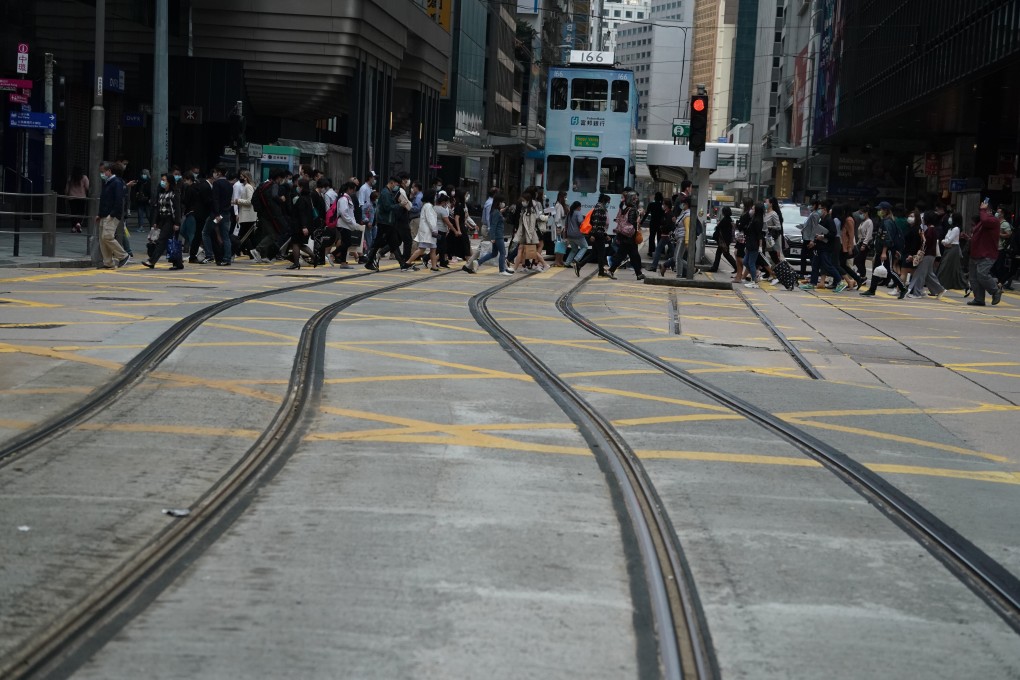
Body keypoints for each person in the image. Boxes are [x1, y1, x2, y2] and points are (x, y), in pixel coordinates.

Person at [860, 201, 908, 298]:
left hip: (886, 251)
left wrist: (884, 252)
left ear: (886, 210)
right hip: (881, 250)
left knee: (890, 271)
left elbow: (887, 238)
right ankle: (872, 290)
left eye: (881, 209)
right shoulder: (885, 221)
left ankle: (902, 288)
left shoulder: (888, 222)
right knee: (876, 270)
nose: (879, 211)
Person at [141, 172, 183, 270]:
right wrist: (155, 221)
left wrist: (177, 223)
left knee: (162, 241)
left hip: (170, 220)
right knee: (171, 242)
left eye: (164, 180)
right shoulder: (162, 192)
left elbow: (177, 209)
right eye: (162, 180)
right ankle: (178, 263)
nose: (162, 182)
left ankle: (152, 261)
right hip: (162, 220)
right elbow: (158, 208)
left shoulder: (174, 193)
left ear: (169, 182)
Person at [968, 200, 1003, 306]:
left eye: (984, 210)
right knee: (974, 278)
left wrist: (983, 209)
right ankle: (979, 299)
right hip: (976, 253)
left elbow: (985, 220)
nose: (981, 212)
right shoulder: (981, 223)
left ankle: (995, 290)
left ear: (989, 210)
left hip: (987, 254)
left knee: (982, 275)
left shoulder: (993, 221)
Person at [96, 162, 130, 269]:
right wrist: (99, 214)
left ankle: (123, 255)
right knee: (102, 239)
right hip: (104, 215)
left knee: (107, 237)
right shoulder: (108, 182)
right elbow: (105, 201)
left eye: (103, 172)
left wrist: (113, 214)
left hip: (111, 215)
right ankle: (108, 263)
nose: (101, 174)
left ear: (109, 171)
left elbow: (118, 200)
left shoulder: (116, 182)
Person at [906, 211, 946, 299]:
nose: (922, 220)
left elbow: (926, 242)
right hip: (930, 254)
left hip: (927, 254)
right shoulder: (931, 229)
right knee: (928, 274)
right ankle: (940, 289)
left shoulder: (930, 230)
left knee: (920, 273)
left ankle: (917, 293)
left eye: (924, 218)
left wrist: (922, 235)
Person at [200, 167, 234, 266]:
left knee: (205, 232)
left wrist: (216, 214)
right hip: (226, 214)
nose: (214, 174)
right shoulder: (229, 184)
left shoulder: (216, 183)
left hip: (217, 215)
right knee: (226, 236)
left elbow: (215, 200)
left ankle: (209, 255)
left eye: (215, 172)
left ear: (219, 173)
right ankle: (227, 258)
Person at [574, 193, 611, 277]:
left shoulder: (598, 208)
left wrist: (605, 234)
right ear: (604, 201)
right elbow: (596, 223)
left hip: (599, 234)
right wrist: (593, 235)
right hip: (598, 235)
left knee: (594, 253)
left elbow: (599, 224)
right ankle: (601, 272)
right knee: (601, 253)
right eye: (608, 202)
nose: (609, 204)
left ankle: (579, 265)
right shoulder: (599, 209)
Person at [407, 190, 441, 272]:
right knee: (422, 249)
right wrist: (434, 230)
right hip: (428, 232)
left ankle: (434, 266)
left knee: (433, 249)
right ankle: (407, 263)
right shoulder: (429, 206)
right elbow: (431, 220)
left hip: (429, 232)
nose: (436, 198)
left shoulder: (426, 205)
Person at [330, 181, 358, 268]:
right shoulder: (343, 199)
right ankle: (333, 254)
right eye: (353, 190)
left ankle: (343, 262)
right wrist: (351, 222)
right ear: (349, 189)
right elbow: (343, 212)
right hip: (344, 224)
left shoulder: (346, 198)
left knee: (345, 243)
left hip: (346, 224)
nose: (354, 192)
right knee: (347, 242)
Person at [937, 211, 966, 290]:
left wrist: (943, 241)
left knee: (945, 268)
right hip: (948, 249)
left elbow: (948, 240)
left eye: (951, 217)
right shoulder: (951, 229)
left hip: (953, 249)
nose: (949, 218)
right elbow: (946, 240)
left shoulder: (956, 229)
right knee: (951, 268)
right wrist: (945, 242)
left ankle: (939, 287)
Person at [708, 206, 737, 274]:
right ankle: (715, 267)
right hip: (724, 241)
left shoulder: (725, 220)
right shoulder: (729, 219)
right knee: (720, 253)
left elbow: (719, 228)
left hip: (723, 241)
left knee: (726, 254)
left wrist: (718, 225)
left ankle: (736, 267)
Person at [743, 202, 764, 288]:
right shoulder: (753, 218)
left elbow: (759, 235)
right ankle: (755, 274)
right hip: (749, 243)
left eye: (754, 208)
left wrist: (760, 246)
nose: (752, 210)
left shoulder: (758, 221)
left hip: (754, 244)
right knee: (745, 261)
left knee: (751, 263)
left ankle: (754, 281)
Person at [562, 201, 589, 269]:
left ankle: (567, 263)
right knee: (585, 246)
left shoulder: (569, 213)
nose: (580, 208)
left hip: (569, 234)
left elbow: (566, 224)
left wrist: (566, 234)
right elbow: (580, 222)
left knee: (574, 249)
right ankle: (576, 259)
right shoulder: (578, 213)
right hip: (578, 234)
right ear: (578, 207)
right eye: (580, 207)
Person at [65, 166, 89, 233]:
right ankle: (79, 224)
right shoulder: (84, 178)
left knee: (73, 212)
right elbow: (87, 187)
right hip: (81, 198)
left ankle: (73, 227)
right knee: (81, 212)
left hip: (72, 198)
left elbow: (67, 188)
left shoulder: (71, 178)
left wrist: (66, 195)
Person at [853, 204, 874, 281]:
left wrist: (864, 244)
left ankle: (863, 276)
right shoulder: (863, 221)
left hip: (865, 244)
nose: (861, 215)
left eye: (862, 213)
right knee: (860, 261)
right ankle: (862, 276)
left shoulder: (869, 222)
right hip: (860, 242)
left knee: (858, 260)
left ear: (866, 213)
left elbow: (868, 235)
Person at [552, 190, 569, 267]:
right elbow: (557, 218)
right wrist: (559, 228)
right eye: (565, 197)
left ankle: (560, 260)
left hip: (562, 227)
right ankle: (557, 261)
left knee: (562, 244)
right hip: (559, 228)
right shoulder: (558, 206)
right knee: (559, 244)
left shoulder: (561, 205)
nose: (566, 198)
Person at [645, 192, 664, 257]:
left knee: (652, 236)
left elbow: (646, 214)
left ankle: (651, 251)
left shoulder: (651, 204)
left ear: (655, 197)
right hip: (660, 223)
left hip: (653, 222)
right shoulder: (662, 205)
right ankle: (661, 251)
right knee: (660, 237)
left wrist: (641, 222)